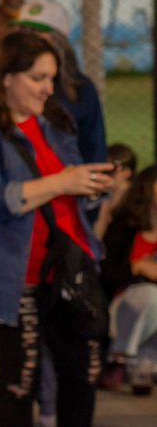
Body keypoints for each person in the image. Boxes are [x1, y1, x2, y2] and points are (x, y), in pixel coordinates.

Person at [0, 30, 112, 427]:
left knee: (84, 373)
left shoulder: (56, 120)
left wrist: (93, 187)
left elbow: (71, 189)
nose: (47, 88)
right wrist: (63, 182)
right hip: (14, 272)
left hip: (67, 266)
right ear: (6, 76)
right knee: (20, 380)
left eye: (51, 78)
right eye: (37, 78)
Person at [14, 0, 107, 165]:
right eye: (23, 30)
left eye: (36, 32)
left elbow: (95, 152)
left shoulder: (80, 89)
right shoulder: (5, 84)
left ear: (58, 39)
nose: (27, 39)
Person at [99, 165, 157, 394]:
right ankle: (120, 358)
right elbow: (105, 274)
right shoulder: (125, 225)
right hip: (122, 307)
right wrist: (138, 267)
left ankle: (142, 363)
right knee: (151, 295)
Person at [95, 143, 138, 239]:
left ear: (127, 173)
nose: (103, 175)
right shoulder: (102, 196)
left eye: (110, 170)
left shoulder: (136, 204)